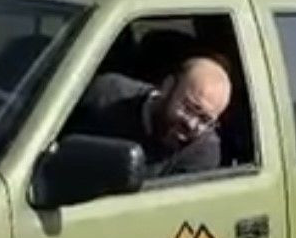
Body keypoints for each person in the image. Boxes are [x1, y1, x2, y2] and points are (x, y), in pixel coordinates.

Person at [70, 53, 232, 178]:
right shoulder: (106, 96)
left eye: (205, 120)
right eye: (189, 108)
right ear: (167, 87)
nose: (192, 124)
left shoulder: (202, 151)